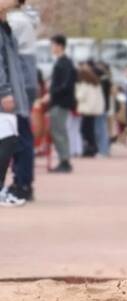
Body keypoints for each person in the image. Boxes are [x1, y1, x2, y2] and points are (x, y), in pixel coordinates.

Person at [6, 0, 38, 201]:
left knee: (20, 134)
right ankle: (22, 181)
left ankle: (22, 182)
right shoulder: (23, 19)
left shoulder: (16, 21)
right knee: (20, 133)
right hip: (23, 82)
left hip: (19, 84)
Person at [0, 0, 29, 207]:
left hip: (8, 91)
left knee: (8, 140)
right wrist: (4, 91)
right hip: (3, 93)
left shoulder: (5, 26)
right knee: (7, 140)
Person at [43, 34, 77, 173]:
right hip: (59, 102)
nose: (51, 48)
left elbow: (66, 85)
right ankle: (64, 160)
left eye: (53, 45)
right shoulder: (63, 62)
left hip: (60, 102)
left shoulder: (65, 63)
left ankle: (65, 161)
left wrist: (52, 94)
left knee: (59, 131)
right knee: (58, 131)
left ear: (59, 46)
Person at [75, 62, 103, 157]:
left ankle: (92, 148)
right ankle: (93, 147)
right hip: (94, 110)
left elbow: (80, 96)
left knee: (84, 130)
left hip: (86, 110)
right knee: (90, 129)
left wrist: (76, 89)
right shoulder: (95, 83)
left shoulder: (84, 84)